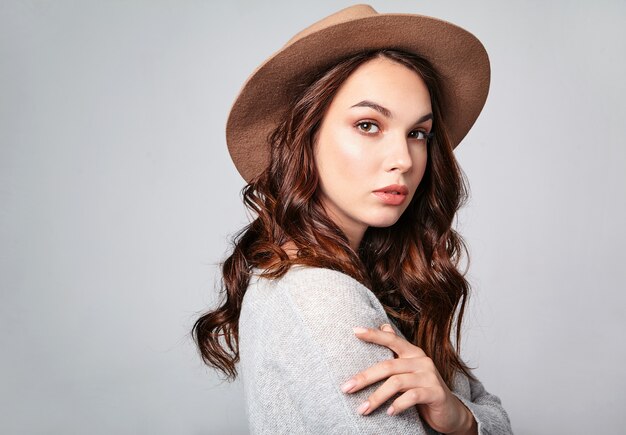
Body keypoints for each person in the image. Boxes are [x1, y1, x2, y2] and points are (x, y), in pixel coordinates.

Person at [192, 5, 513, 434]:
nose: (403, 160)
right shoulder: (319, 294)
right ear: (304, 135)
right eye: (368, 125)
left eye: (418, 133)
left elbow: (485, 404)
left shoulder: (370, 278)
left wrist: (460, 416)